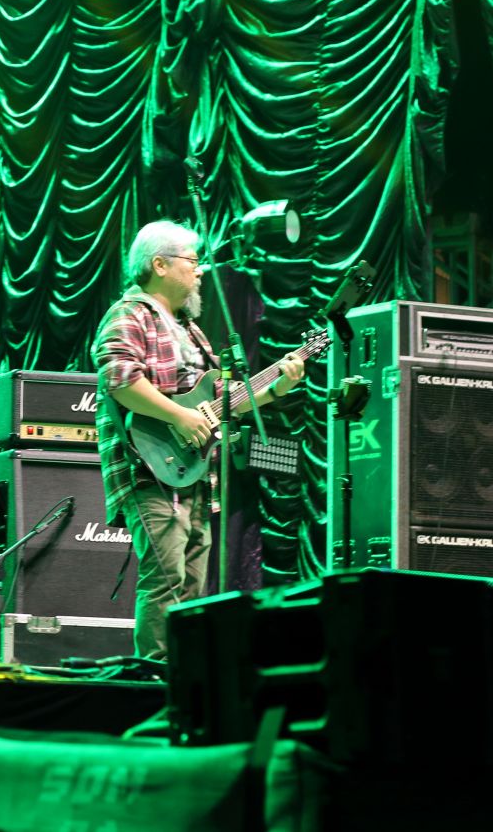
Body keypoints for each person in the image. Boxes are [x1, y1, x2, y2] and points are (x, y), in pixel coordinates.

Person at [91, 220, 303, 660]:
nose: (201, 270)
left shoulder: (190, 329)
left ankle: (183, 675)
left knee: (191, 585)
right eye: (192, 261)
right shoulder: (130, 314)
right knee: (166, 579)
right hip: (148, 467)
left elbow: (226, 399)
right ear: (159, 265)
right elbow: (120, 379)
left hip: (194, 473)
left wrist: (278, 385)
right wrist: (180, 417)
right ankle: (154, 680)